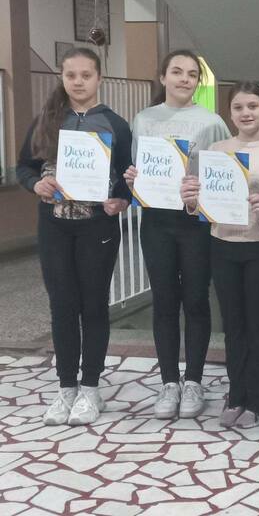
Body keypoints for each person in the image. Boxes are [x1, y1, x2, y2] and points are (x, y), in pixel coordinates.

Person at [17, 47, 132, 425]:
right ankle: (66, 387)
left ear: (99, 78)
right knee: (62, 306)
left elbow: (127, 178)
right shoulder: (46, 121)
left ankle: (91, 388)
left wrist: (121, 200)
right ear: (62, 78)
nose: (78, 82)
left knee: (93, 306)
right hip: (54, 227)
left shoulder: (115, 124)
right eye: (71, 75)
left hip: (97, 227)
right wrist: (36, 184)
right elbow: (24, 167)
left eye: (86, 75)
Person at [124, 49, 230, 419]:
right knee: (165, 301)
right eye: (177, 72)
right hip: (156, 223)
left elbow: (225, 172)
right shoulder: (143, 119)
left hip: (196, 224)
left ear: (198, 81)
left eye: (192, 74)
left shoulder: (212, 122)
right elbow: (137, 169)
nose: (185, 79)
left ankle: (195, 380)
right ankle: (169, 382)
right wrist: (132, 180)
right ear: (163, 77)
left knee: (197, 301)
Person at [180, 82, 259, 428]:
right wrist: (191, 200)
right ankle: (237, 394)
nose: (246, 113)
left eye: (253, 106)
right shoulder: (217, 150)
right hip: (222, 244)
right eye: (238, 107)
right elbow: (201, 204)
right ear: (230, 113)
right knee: (233, 325)